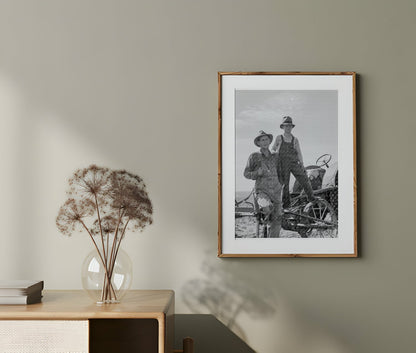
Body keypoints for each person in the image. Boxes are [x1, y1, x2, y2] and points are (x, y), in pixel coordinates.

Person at [244, 130, 282, 238]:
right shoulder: (254, 156)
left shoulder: (276, 156)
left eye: (266, 139)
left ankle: (272, 244)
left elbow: (281, 172)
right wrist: (257, 173)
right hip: (262, 192)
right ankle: (265, 224)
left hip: (276, 192)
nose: (265, 142)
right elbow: (246, 174)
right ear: (259, 143)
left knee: (278, 220)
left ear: (270, 141)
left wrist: (281, 184)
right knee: (267, 207)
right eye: (262, 140)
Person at [272, 116, 315, 209]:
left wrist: (302, 165)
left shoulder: (295, 139)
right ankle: (286, 206)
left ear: (292, 127)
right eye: (286, 126)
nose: (288, 128)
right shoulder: (279, 138)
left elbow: (299, 152)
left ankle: (312, 198)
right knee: (285, 185)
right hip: (282, 164)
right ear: (283, 127)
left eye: (289, 126)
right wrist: (274, 157)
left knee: (304, 178)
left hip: (294, 162)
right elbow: (273, 149)